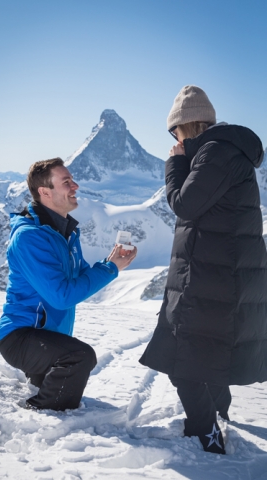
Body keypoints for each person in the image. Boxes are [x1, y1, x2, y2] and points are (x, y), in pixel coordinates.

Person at [139, 85, 267, 454]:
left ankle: (206, 433)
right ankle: (218, 415)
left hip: (211, 280)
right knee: (208, 352)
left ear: (186, 126)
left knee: (183, 360)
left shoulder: (216, 153)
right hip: (217, 277)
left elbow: (185, 204)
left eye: (173, 132)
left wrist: (176, 164)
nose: (173, 140)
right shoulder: (223, 152)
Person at [0, 158, 137, 411]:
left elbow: (80, 275)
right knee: (79, 356)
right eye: (66, 182)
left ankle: (44, 393)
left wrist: (111, 261)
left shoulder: (65, 233)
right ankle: (38, 412)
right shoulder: (30, 237)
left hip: (48, 335)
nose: (76, 186)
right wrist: (111, 268)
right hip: (21, 336)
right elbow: (62, 295)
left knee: (65, 369)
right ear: (45, 192)